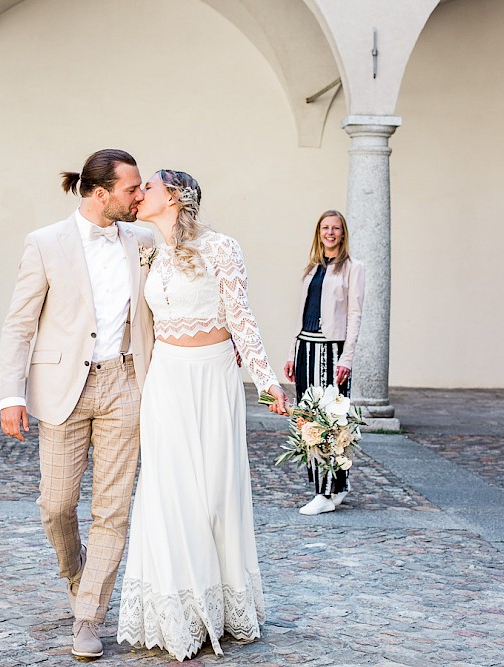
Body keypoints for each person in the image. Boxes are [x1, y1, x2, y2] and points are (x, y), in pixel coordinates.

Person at [117, 169, 289, 662]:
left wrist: (266, 381)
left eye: (147, 186)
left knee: (215, 492)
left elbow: (242, 319)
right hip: (166, 379)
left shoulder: (222, 247)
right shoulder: (145, 249)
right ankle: (179, 616)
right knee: (169, 493)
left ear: (173, 196)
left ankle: (222, 605)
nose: (139, 194)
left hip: (213, 379)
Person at [0, 149, 155, 659]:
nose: (139, 196)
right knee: (56, 504)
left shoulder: (144, 241)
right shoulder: (44, 243)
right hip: (64, 387)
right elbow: (20, 324)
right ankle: (77, 573)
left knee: (112, 510)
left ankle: (88, 616)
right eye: (131, 189)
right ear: (99, 192)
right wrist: (11, 395)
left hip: (125, 385)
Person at [283, 210, 364, 515]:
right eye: (325, 227)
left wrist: (347, 357)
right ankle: (337, 486)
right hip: (306, 346)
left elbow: (355, 315)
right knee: (307, 419)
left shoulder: (353, 269)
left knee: (332, 419)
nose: (330, 232)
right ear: (319, 232)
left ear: (343, 234)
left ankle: (325, 492)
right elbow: (302, 313)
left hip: (332, 351)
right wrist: (293, 352)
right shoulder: (312, 268)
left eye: (336, 228)